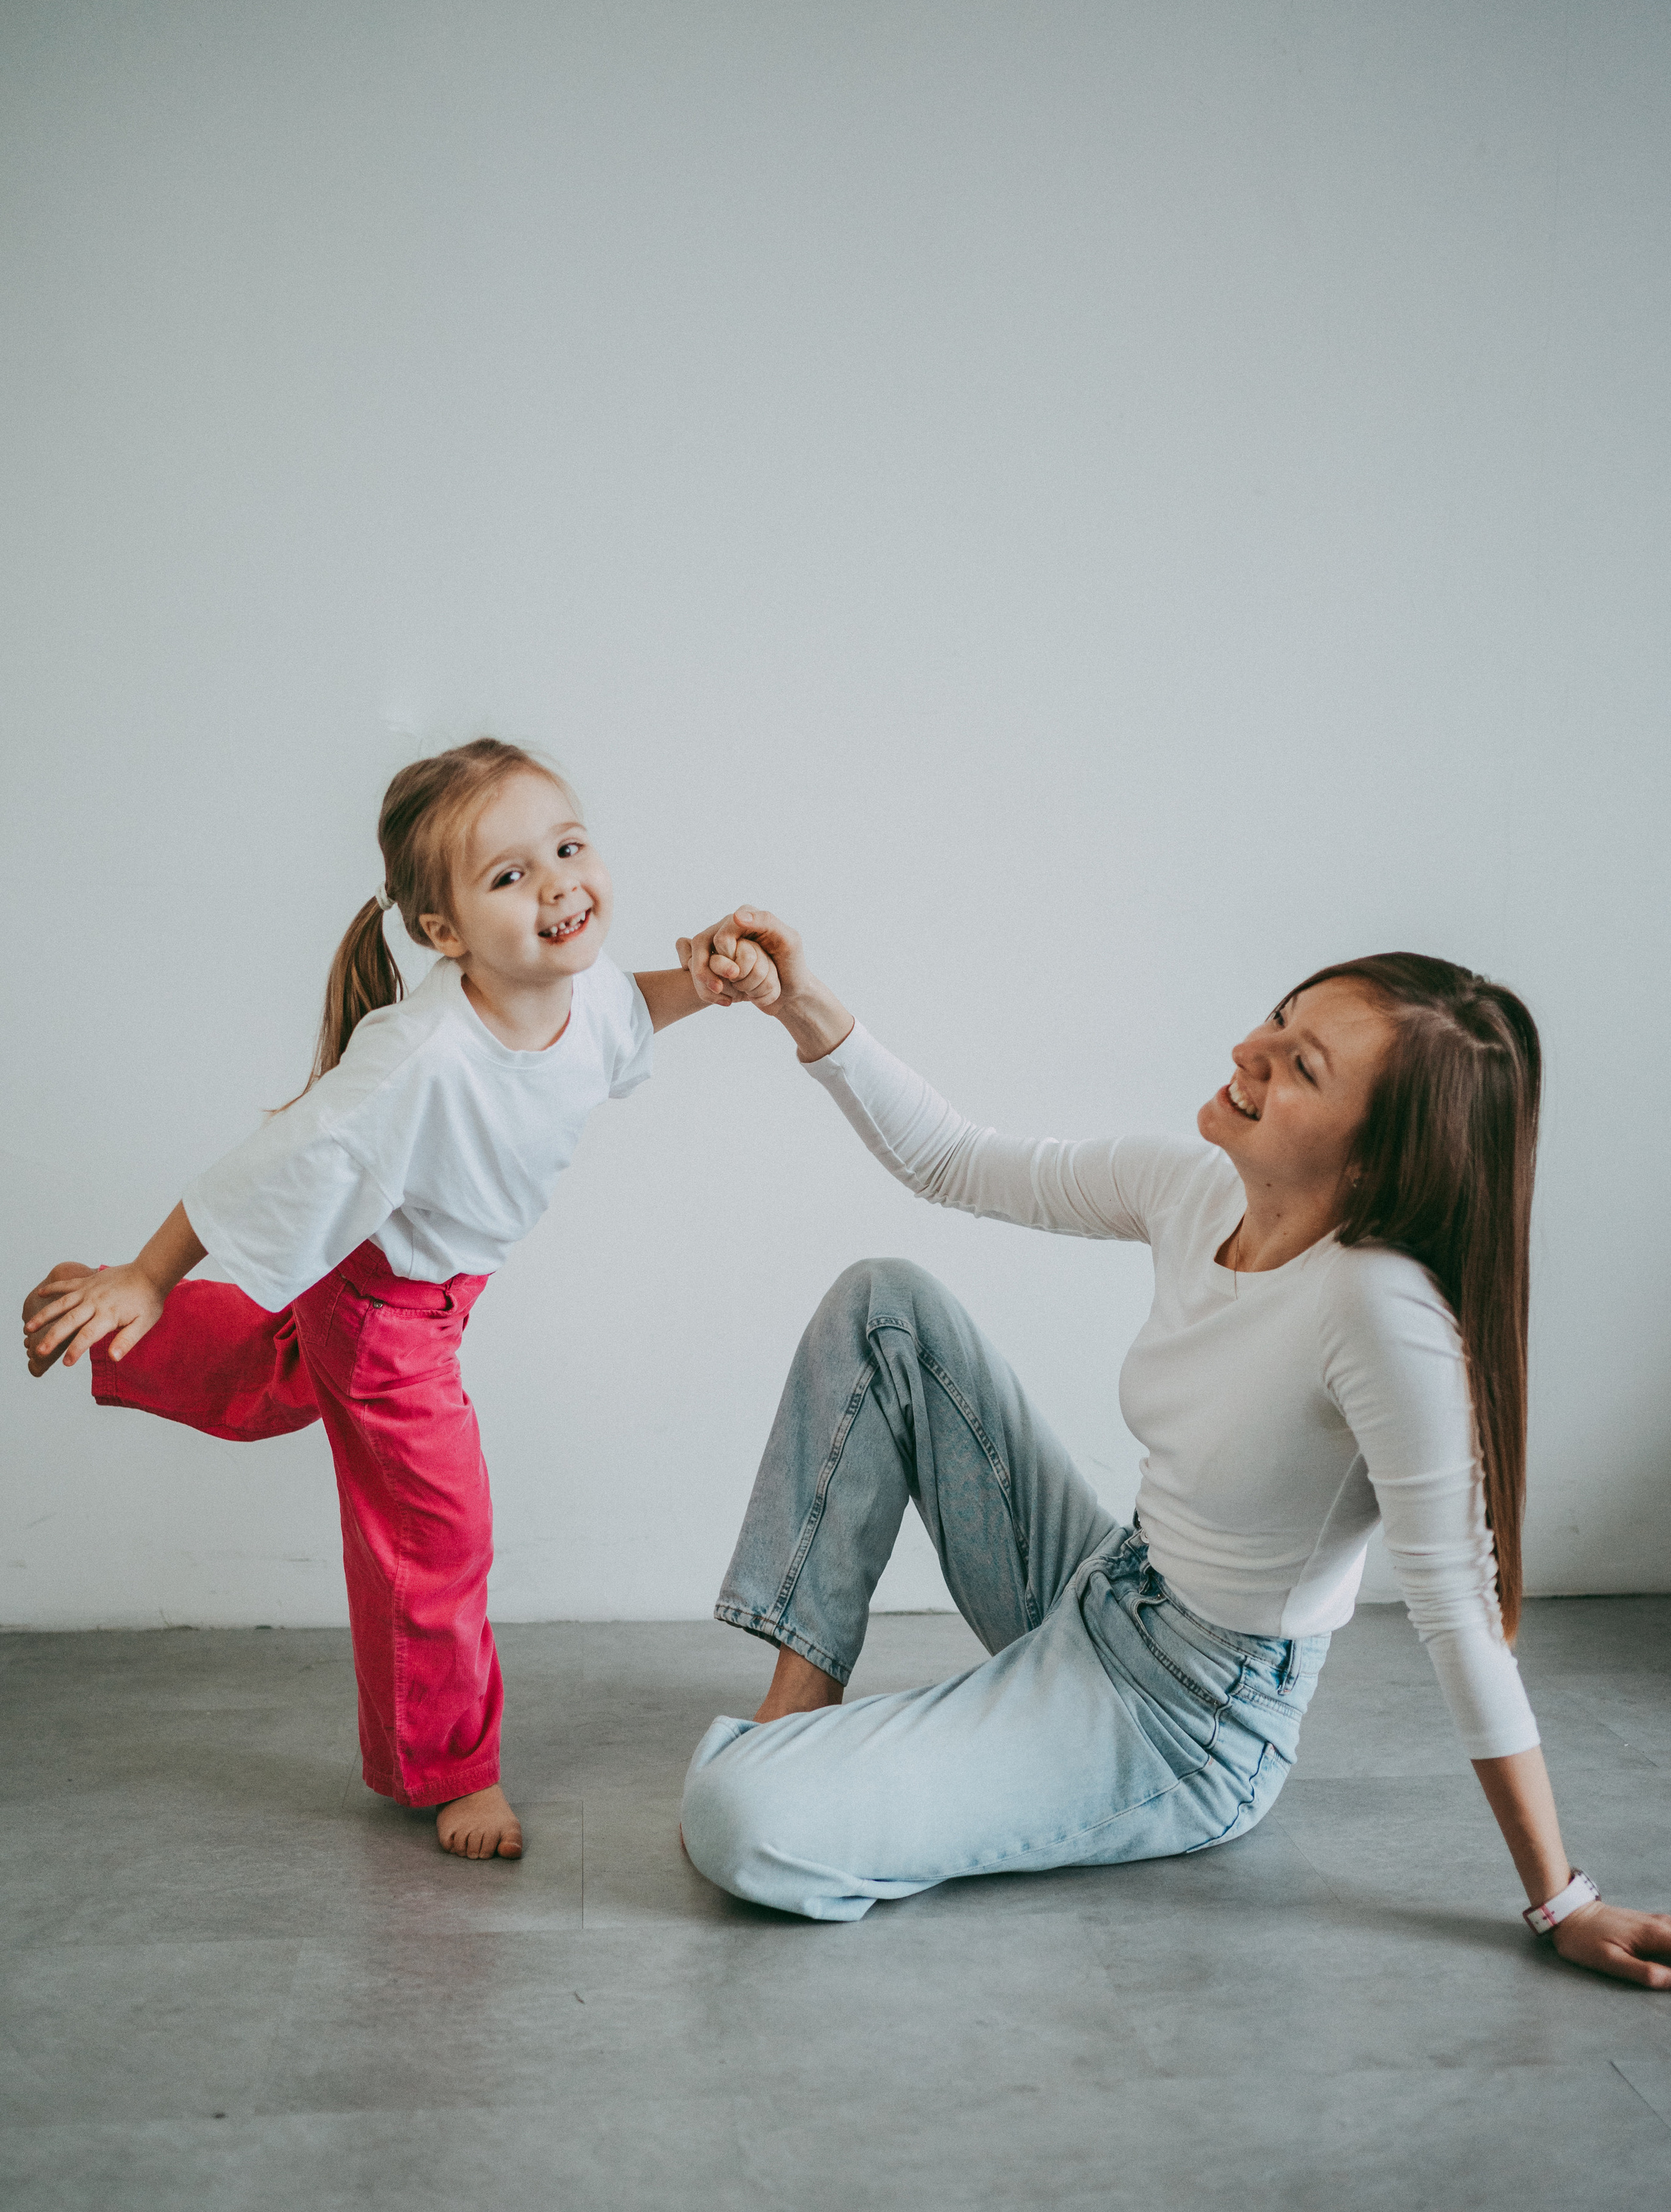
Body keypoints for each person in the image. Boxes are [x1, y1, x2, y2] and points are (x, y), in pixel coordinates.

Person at [672, 906, 1671, 1987]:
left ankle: (786, 1774)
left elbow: (1460, 1616)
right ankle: (796, 1719)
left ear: (1377, 1157)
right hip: (1105, 1586)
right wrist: (798, 1003)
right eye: (1279, 1021)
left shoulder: (1380, 1313)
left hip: (1186, 1718)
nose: (1251, 1052)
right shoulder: (1198, 1189)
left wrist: (1563, 1899)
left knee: (743, 1821)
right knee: (887, 1306)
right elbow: (952, 1159)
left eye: (1301, 1066)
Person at [22, 740, 779, 1862]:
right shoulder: (418, 1056)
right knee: (436, 1533)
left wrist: (709, 989)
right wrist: (150, 1267)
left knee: (286, 1375)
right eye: (511, 876)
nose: (561, 884)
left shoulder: (581, 991)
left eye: (568, 848)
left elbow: (631, 1014)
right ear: (444, 932)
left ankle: (110, 1334)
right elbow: (270, 1160)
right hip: (386, 1310)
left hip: (414, 1288)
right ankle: (450, 1770)